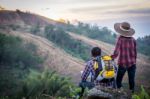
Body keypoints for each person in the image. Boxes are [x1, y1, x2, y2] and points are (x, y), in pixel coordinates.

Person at [111, 22, 137, 93]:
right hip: (132, 64)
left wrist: (111, 57)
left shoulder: (120, 39)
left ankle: (120, 94)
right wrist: (134, 61)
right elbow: (135, 53)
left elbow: (116, 52)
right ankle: (132, 95)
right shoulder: (133, 40)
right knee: (131, 81)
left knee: (118, 81)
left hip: (123, 64)